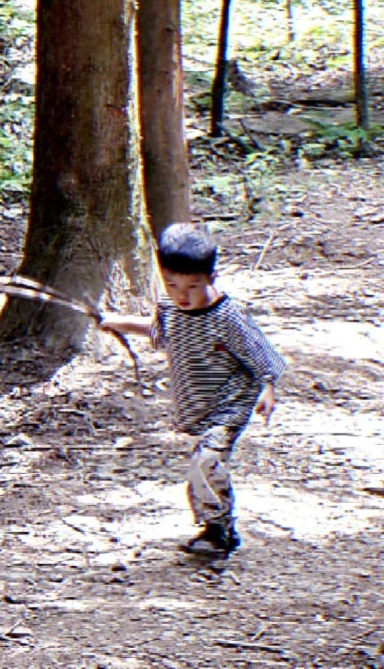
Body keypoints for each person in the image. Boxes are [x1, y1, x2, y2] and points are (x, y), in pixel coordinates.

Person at [101, 221, 285, 557]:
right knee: (201, 465)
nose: (182, 296)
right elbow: (155, 330)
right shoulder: (170, 308)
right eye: (171, 285)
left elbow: (259, 351)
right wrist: (114, 320)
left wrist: (268, 389)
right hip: (195, 403)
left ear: (211, 279)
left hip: (230, 403)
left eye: (193, 286)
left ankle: (218, 530)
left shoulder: (227, 316)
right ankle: (216, 526)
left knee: (207, 460)